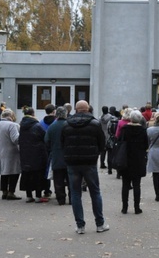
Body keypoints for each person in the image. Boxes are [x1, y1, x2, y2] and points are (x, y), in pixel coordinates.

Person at [61, 100, 109, 234]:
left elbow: (62, 143)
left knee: (75, 193)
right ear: (88, 109)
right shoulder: (94, 124)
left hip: (72, 162)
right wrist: (96, 154)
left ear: (75, 109)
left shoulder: (66, 124)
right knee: (95, 192)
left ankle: (80, 225)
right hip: (89, 162)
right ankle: (100, 223)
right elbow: (102, 143)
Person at [116, 110, 148, 214]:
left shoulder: (125, 129)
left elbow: (119, 141)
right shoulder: (143, 130)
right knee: (137, 184)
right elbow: (146, 145)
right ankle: (137, 207)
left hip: (126, 158)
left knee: (125, 184)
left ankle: (124, 207)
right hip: (138, 159)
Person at [18, 107, 47, 202]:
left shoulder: (21, 125)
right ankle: (38, 196)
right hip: (37, 153)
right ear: (33, 114)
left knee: (27, 174)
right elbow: (45, 137)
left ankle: (29, 195)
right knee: (38, 174)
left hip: (25, 153)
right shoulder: (37, 125)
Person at [0, 108, 21, 200]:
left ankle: (4, 191)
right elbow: (15, 139)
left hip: (0, 151)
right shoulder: (13, 125)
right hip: (12, 152)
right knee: (14, 172)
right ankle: (11, 192)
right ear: (11, 116)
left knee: (4, 172)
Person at [45, 106, 70, 205]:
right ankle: (72, 198)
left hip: (56, 155)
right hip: (69, 156)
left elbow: (46, 140)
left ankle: (61, 199)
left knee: (58, 179)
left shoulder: (52, 126)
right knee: (71, 179)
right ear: (66, 114)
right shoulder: (69, 125)